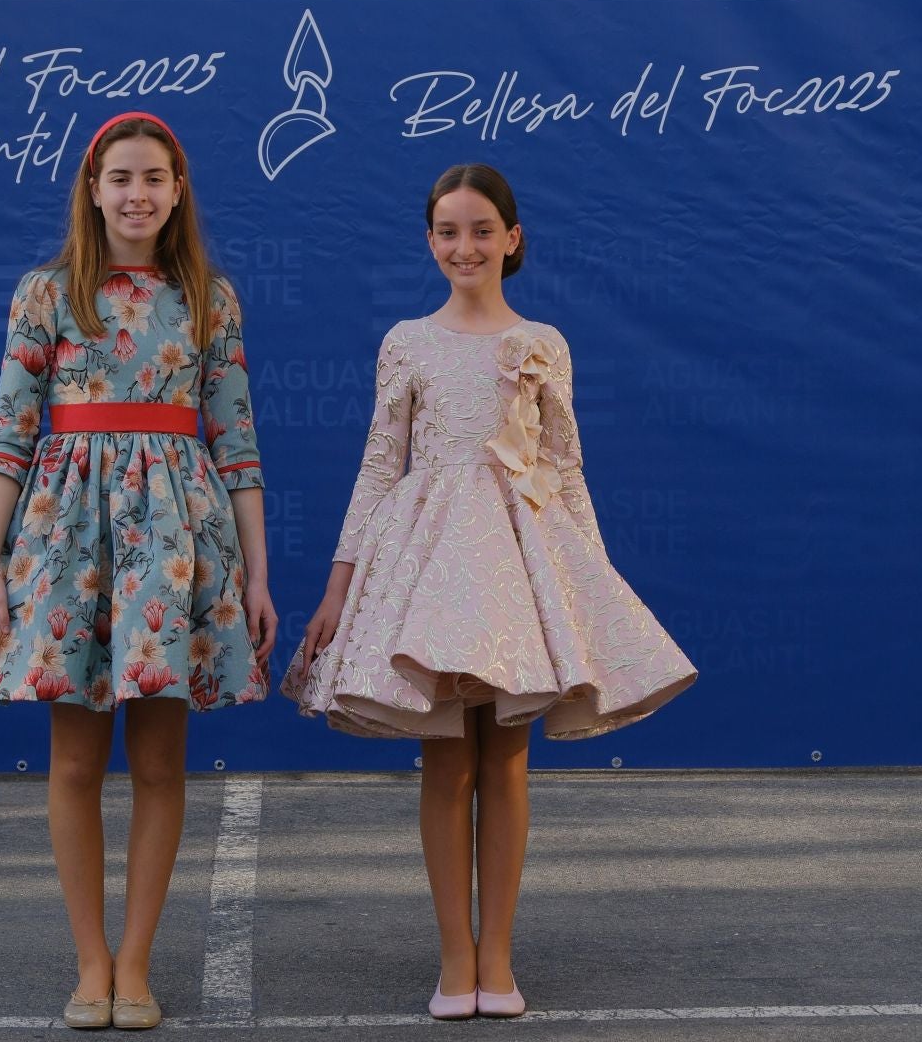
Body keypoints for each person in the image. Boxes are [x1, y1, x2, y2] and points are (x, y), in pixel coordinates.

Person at [282, 163, 696, 1020]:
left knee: (506, 757)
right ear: (428, 241)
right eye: (446, 231)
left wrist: (591, 579)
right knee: (446, 756)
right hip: (427, 562)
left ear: (511, 238)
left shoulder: (545, 341)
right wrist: (338, 587)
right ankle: (455, 958)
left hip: (518, 561)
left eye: (479, 230)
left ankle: (499, 960)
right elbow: (376, 466)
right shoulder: (407, 341)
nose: (463, 246)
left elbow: (563, 465)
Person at [0, 111, 277, 1031]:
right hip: (67, 541)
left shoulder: (210, 299)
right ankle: (89, 960)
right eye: (121, 177)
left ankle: (136, 961)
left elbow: (240, 444)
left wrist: (255, 576)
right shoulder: (46, 295)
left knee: (163, 761)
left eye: (154, 178)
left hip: (178, 544)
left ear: (178, 193)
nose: (137, 193)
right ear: (92, 190)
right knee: (71, 759)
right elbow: (8, 439)